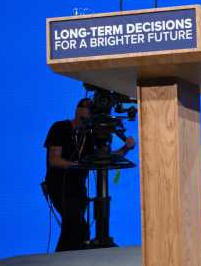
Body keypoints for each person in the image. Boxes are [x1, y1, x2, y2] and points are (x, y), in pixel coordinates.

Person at [44, 97, 134, 252]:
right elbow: (54, 160)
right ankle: (61, 264)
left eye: (86, 119)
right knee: (76, 227)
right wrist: (78, 165)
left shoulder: (90, 134)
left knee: (76, 229)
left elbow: (106, 157)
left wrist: (126, 147)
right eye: (82, 118)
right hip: (59, 186)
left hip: (78, 189)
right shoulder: (59, 128)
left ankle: (64, 263)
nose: (84, 122)